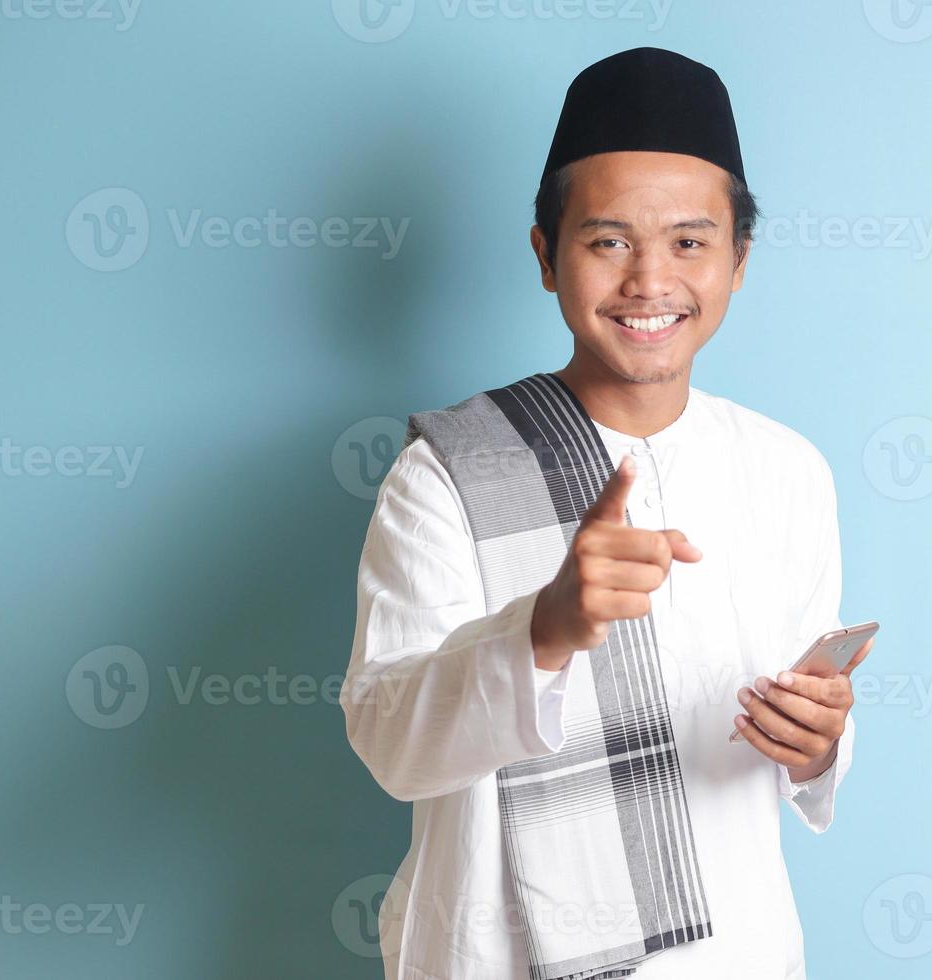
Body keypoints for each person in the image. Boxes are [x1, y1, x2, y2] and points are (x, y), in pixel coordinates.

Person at [341, 46, 874, 980]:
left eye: (690, 242)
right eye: (608, 240)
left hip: (734, 956)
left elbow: (796, 733)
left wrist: (820, 741)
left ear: (738, 261)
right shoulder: (445, 475)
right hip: (494, 955)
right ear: (547, 256)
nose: (650, 281)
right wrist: (541, 630)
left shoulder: (789, 472)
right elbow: (388, 739)